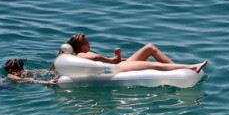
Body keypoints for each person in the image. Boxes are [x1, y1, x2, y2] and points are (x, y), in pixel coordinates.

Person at [65, 33, 206, 73]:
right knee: (154, 65)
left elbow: (97, 60)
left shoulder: (80, 56)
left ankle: (177, 68)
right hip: (117, 69)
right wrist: (113, 61)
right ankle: (191, 67)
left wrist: (117, 58)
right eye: (86, 42)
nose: (89, 43)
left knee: (149, 47)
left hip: (117, 65)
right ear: (80, 46)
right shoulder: (81, 55)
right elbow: (95, 57)